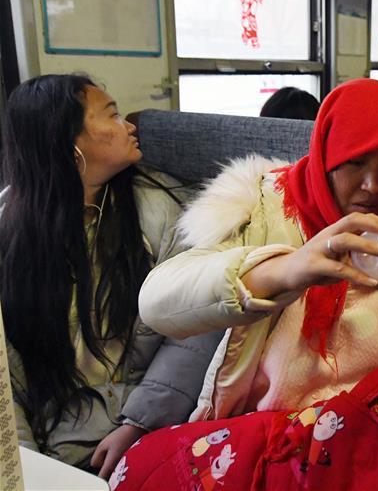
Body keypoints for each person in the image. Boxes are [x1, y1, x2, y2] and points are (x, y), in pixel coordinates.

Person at [129, 79, 378, 489]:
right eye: (355, 161)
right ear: (327, 153)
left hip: (372, 434)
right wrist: (287, 269)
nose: (373, 185)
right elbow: (157, 303)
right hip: (269, 433)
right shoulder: (263, 210)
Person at [0, 75, 220, 478]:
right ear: (70, 144)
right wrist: (23, 465)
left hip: (141, 423)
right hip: (50, 438)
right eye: (113, 116)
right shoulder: (11, 231)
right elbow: (8, 374)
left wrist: (138, 424)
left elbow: (193, 329)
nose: (130, 126)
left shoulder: (165, 211)